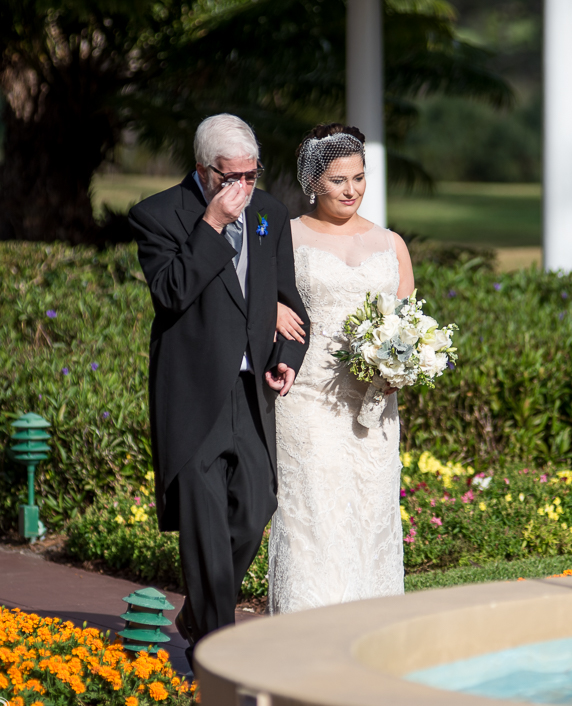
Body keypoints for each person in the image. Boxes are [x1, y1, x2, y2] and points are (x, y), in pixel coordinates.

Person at [129, 114, 309, 665]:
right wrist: (209, 225)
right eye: (231, 178)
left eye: (251, 176)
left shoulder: (271, 212)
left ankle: (199, 613)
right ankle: (216, 652)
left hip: (252, 391)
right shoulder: (158, 215)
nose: (243, 189)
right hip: (194, 392)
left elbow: (289, 302)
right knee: (204, 524)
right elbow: (172, 292)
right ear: (205, 171)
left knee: (255, 509)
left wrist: (287, 359)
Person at [267, 123, 415, 614]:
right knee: (313, 519)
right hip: (307, 399)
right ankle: (303, 638)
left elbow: (408, 323)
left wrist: (404, 367)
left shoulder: (392, 244)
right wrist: (270, 312)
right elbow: (244, 297)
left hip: (375, 405)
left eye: (359, 177)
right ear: (312, 181)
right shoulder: (285, 236)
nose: (351, 190)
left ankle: (370, 634)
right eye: (337, 180)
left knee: (370, 518)